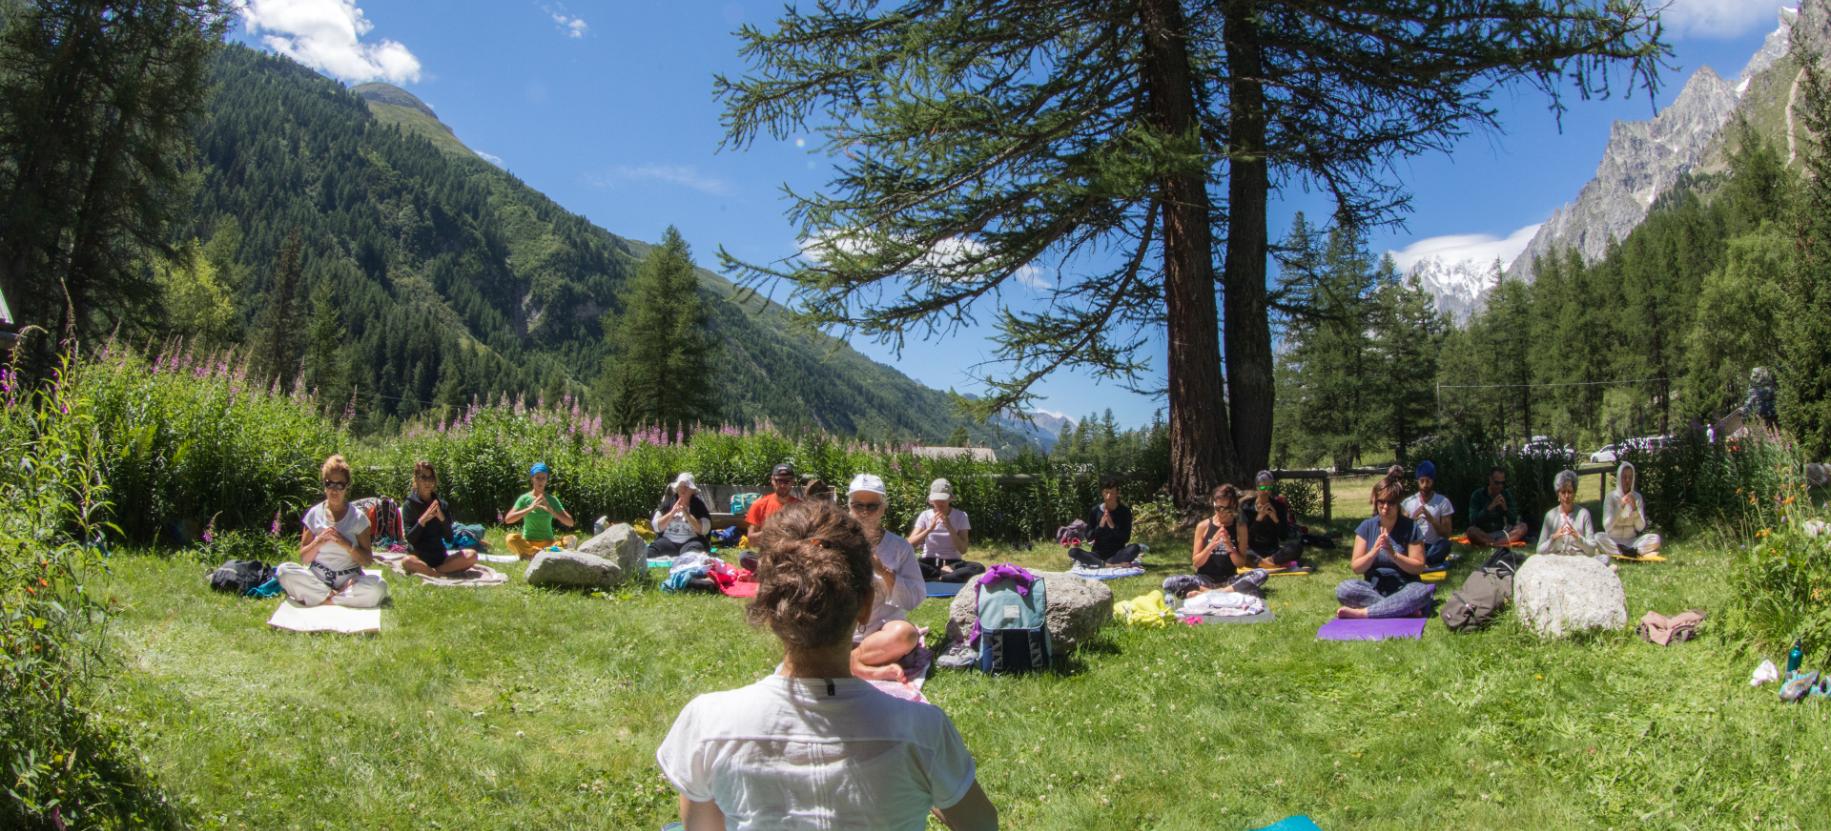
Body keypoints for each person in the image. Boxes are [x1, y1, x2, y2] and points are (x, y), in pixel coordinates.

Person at [657, 500, 999, 830]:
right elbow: (983, 824)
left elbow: (701, 827)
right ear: (865, 607)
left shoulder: (707, 723)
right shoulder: (924, 732)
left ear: (767, 603)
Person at [275, 454, 389, 607]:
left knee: (379, 586)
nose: (334, 490)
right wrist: (319, 541)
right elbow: (304, 558)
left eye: (339, 485)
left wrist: (346, 544)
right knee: (284, 571)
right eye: (330, 484)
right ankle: (334, 598)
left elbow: (367, 560)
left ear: (346, 486)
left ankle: (324, 599)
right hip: (318, 577)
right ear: (324, 485)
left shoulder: (358, 518)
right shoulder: (314, 514)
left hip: (348, 579)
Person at [845, 473, 925, 681]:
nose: (864, 512)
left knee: (906, 635)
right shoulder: (834, 542)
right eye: (857, 506)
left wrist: (883, 572)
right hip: (839, 631)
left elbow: (914, 598)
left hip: (881, 631)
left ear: (883, 508)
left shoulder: (900, 547)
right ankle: (861, 665)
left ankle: (848, 661)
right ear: (849, 507)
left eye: (871, 506)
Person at [1335, 482, 1433, 619]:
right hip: (1375, 590)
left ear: (1398, 503)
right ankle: (1402, 610)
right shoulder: (1366, 527)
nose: (1385, 506)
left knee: (1421, 591)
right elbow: (1357, 567)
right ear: (1376, 501)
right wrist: (1374, 551)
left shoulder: (1411, 527)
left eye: (1391, 502)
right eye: (1382, 501)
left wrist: (1393, 555)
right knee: (1344, 589)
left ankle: (1364, 613)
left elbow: (1418, 567)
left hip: (1405, 587)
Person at [1163, 484, 1267, 598]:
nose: (1221, 512)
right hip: (1204, 580)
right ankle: (1224, 593)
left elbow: (1241, 563)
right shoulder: (1203, 526)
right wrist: (1211, 545)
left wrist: (1229, 546)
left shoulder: (1240, 527)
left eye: (1226, 508)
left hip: (1229, 579)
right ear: (1214, 505)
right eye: (1218, 508)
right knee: (1169, 582)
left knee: (1262, 573)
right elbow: (1196, 563)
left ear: (1233, 506)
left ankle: (1212, 594)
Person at [400, 461, 479, 577]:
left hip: (440, 559)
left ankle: (434, 572)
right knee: (407, 561)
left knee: (472, 555)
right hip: (418, 557)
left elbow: (449, 538)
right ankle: (435, 573)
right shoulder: (409, 505)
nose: (428, 482)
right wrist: (423, 520)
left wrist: (442, 519)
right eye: (423, 477)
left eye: (431, 478)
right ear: (416, 479)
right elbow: (411, 538)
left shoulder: (442, 505)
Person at [910, 478, 984, 582]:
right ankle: (944, 577)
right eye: (936, 500)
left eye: (943, 499)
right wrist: (929, 529)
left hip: (953, 564)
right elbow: (910, 544)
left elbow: (963, 549)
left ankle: (937, 577)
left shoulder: (961, 516)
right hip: (929, 562)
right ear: (931, 500)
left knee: (978, 568)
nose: (940, 503)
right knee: (905, 564)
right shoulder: (925, 515)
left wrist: (949, 527)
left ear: (950, 498)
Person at [504, 461, 577, 559]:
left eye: (543, 478)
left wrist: (552, 511)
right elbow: (508, 519)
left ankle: (537, 553)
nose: (540, 481)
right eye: (537, 478)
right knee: (510, 539)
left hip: (548, 544)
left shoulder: (552, 500)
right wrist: (530, 508)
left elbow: (570, 523)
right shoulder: (524, 499)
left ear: (546, 480)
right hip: (528, 543)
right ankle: (539, 553)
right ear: (532, 479)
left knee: (571, 539)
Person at [1066, 477, 1143, 568]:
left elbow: (1125, 538)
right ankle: (1108, 565)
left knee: (1135, 548)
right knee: (1073, 552)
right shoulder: (1095, 511)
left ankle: (1104, 564)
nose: (1108, 497)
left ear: (1117, 494)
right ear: (1102, 492)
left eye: (1112, 493)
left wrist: (1112, 526)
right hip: (1098, 554)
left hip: (1117, 554)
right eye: (1106, 492)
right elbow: (1089, 537)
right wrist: (1100, 526)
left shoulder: (1125, 512)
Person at [1241, 470, 1302, 568]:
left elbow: (1284, 536)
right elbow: (1246, 538)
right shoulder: (1247, 507)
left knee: (1296, 547)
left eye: (1269, 488)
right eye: (1263, 487)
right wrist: (1258, 519)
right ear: (1257, 488)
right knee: (1241, 551)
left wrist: (1275, 519)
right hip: (1253, 550)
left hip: (1272, 551)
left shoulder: (1279, 507)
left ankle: (1265, 562)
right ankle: (1270, 564)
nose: (1266, 491)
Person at [1600, 461, 1661, 558]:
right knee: (1598, 537)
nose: (1627, 480)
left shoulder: (1637, 497)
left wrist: (1635, 509)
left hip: (1632, 541)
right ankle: (1630, 552)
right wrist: (1621, 506)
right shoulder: (1610, 497)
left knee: (1656, 539)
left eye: (1630, 477)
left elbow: (1640, 527)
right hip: (1614, 540)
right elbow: (1607, 526)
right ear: (1619, 478)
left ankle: (1628, 551)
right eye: (1624, 477)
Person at [1400, 460, 1455, 568]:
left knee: (1445, 544)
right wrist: (1413, 520)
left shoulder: (1443, 502)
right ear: (1417, 481)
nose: (1425, 485)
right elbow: (1401, 532)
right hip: (1414, 545)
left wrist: (1432, 520)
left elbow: (1447, 534)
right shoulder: (1408, 503)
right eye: (1422, 481)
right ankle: (1423, 562)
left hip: (1433, 546)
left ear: (1433, 481)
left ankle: (1422, 562)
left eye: (1428, 481)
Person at [649, 472, 714, 560]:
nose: (683, 489)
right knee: (651, 552)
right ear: (677, 488)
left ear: (692, 491)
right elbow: (656, 526)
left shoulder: (698, 505)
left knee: (694, 553)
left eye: (686, 487)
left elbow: (704, 530)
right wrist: (672, 512)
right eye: (681, 486)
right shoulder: (668, 503)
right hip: (668, 541)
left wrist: (686, 513)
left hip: (690, 542)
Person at [1537, 469, 1601, 557]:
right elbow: (1539, 551)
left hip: (1579, 560)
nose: (1566, 496)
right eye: (1563, 492)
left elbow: (1592, 551)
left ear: (1574, 494)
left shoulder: (1584, 514)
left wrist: (1578, 538)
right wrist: (1553, 539)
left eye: (1570, 492)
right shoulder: (1550, 516)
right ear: (1558, 495)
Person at [1466, 466, 1527, 549]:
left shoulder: (1506, 494)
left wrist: (1505, 508)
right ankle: (1498, 543)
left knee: (1523, 526)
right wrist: (1489, 508)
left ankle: (1495, 544)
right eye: (1497, 483)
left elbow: (1513, 520)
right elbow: (1473, 520)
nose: (1500, 486)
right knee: (1471, 531)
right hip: (1484, 532)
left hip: (1503, 533)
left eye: (1502, 483)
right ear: (1490, 480)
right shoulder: (1478, 495)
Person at [744, 463, 802, 532]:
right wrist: (773, 531)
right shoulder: (758, 506)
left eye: (786, 481)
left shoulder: (801, 507)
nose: (782, 485)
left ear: (792, 481)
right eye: (778, 481)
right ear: (772, 480)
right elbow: (751, 539)